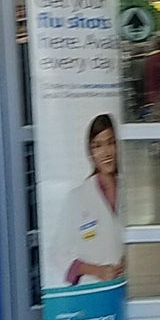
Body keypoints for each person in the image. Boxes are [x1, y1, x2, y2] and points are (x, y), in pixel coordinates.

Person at [51, 113, 125, 287]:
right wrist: (96, 270)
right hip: (92, 288)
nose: (106, 152)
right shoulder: (77, 198)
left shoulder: (129, 190)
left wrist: (127, 261)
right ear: (90, 153)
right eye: (97, 146)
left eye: (111, 142)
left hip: (125, 284)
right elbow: (58, 253)